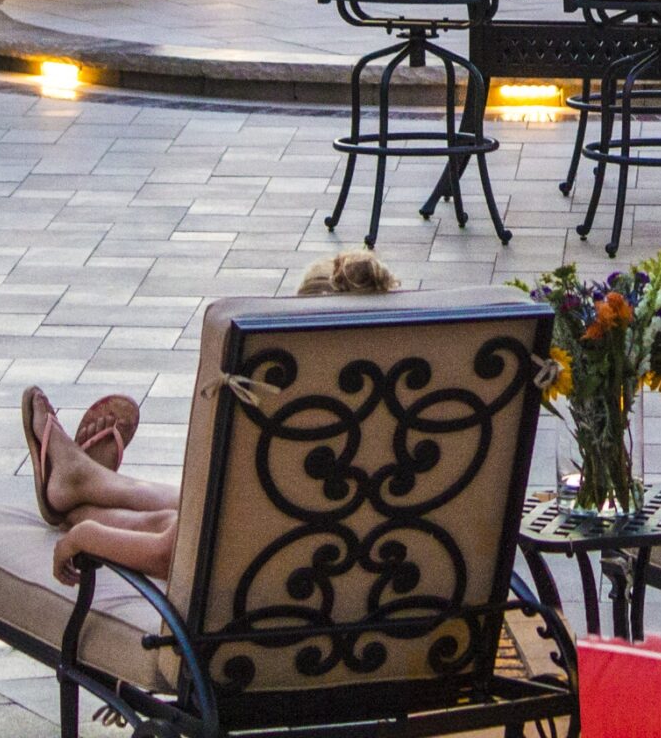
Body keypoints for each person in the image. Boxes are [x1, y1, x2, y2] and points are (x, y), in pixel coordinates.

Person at [21, 250, 400, 584]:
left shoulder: (279, 431)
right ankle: (85, 481)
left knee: (184, 526)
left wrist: (83, 537)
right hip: (386, 610)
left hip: (274, 604)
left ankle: (79, 496)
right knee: (201, 510)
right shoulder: (415, 426)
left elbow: (167, 557)